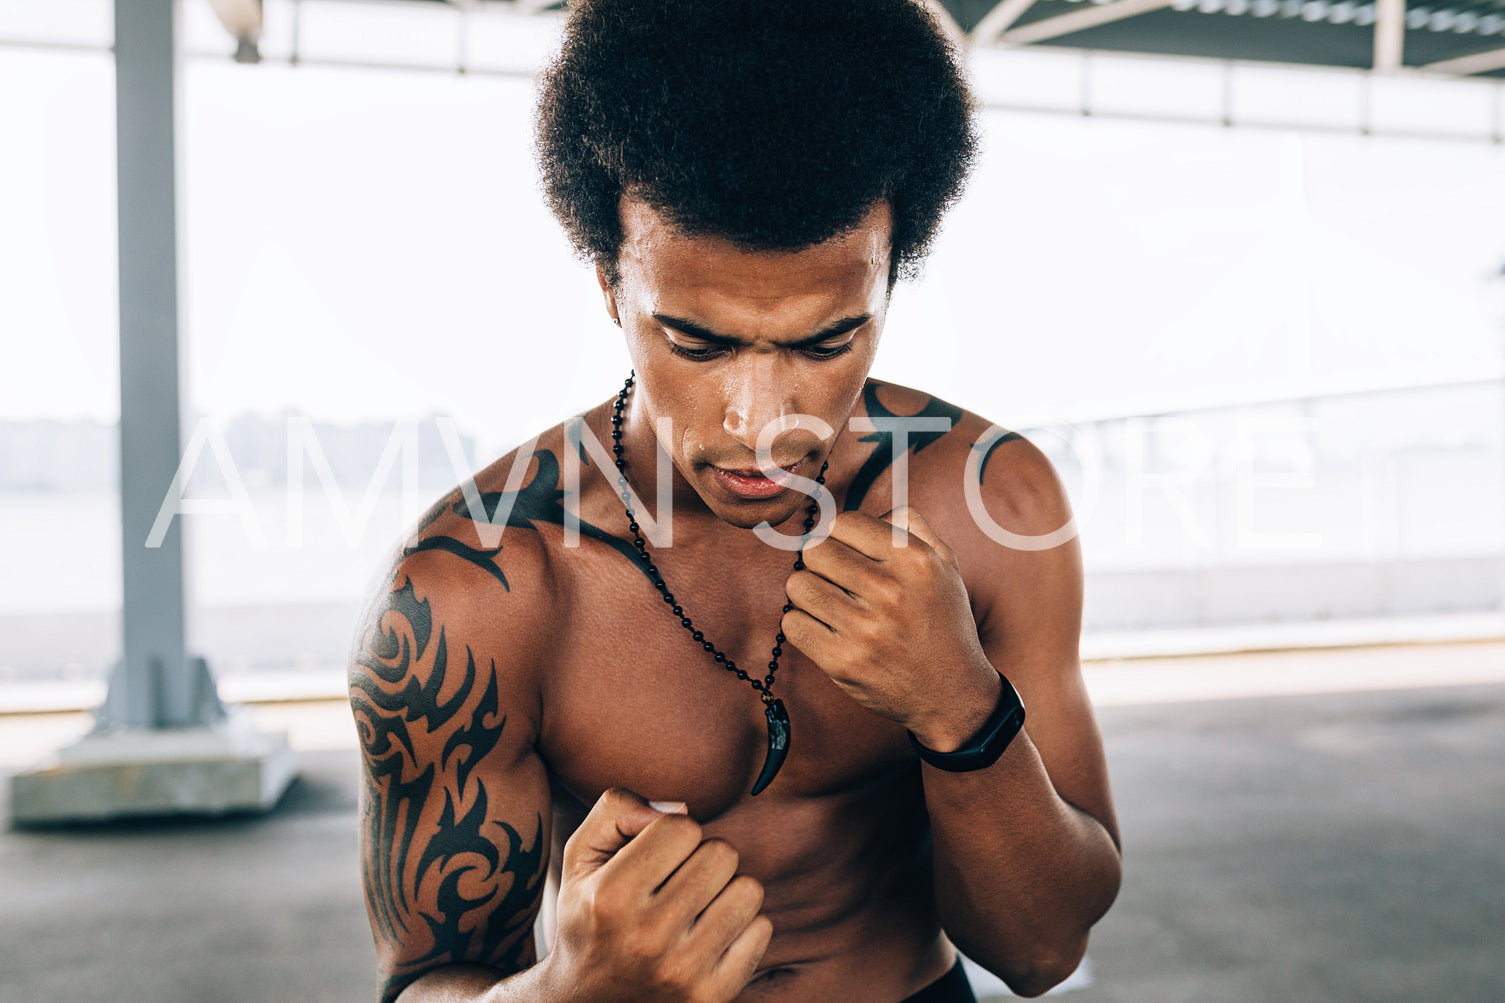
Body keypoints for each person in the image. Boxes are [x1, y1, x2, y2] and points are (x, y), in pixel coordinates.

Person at [347, 1, 1121, 1000]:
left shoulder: (989, 504)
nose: (760, 420)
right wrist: (562, 994)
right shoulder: (477, 587)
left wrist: (960, 707)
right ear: (608, 283)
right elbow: (428, 979)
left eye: (825, 339)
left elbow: (1041, 948)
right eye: (697, 343)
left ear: (889, 283)